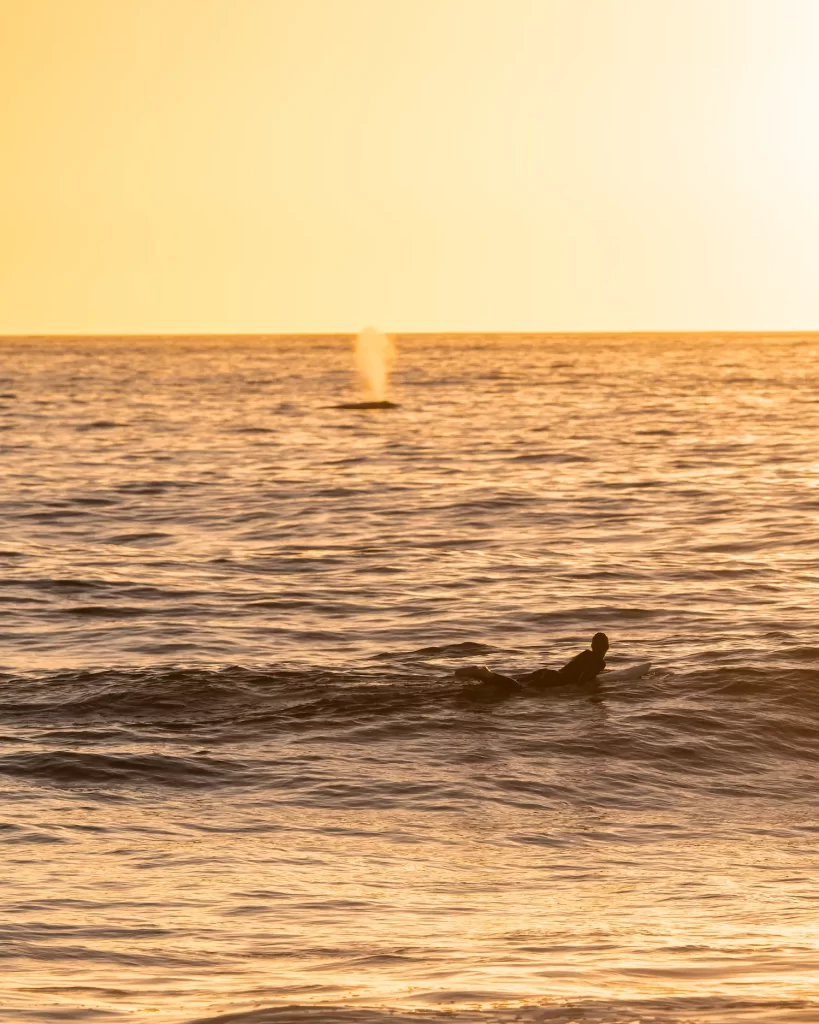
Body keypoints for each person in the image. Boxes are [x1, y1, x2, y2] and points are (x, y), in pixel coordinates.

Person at [455, 633, 609, 696]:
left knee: (516, 684)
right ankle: (486, 674)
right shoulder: (599, 662)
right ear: (607, 647)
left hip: (548, 672)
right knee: (517, 689)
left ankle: (485, 677)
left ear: (591, 645)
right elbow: (583, 678)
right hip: (555, 680)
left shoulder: (585, 653)